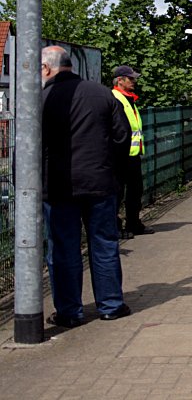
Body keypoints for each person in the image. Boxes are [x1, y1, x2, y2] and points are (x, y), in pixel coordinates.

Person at [42, 46, 132, 327]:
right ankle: (110, 305)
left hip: (58, 187)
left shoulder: (42, 98)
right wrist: (108, 169)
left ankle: (70, 312)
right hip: (100, 183)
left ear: (46, 69)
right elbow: (122, 138)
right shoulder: (103, 94)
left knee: (64, 248)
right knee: (104, 244)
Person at [112, 65, 153, 238]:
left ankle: (133, 224)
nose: (134, 81)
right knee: (117, 192)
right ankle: (116, 227)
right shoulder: (115, 98)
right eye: (131, 78)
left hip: (132, 154)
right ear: (120, 80)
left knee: (135, 190)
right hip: (119, 155)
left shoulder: (129, 99)